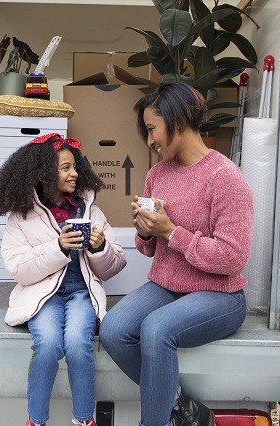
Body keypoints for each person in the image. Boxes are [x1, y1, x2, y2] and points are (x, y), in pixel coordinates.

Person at [99, 82, 254, 426]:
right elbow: (149, 249)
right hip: (168, 285)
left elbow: (233, 257)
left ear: (179, 118)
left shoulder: (226, 177)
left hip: (220, 294)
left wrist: (171, 231)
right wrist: (144, 229)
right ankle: (179, 403)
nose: (149, 140)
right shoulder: (157, 174)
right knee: (113, 329)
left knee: (156, 329)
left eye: (152, 129)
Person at [0, 133, 127, 426]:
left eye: (75, 167)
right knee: (48, 345)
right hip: (44, 296)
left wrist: (99, 246)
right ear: (42, 174)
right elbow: (18, 269)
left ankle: (84, 420)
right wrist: (58, 247)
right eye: (66, 167)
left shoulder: (90, 210)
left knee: (78, 345)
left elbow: (115, 264)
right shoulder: (22, 216)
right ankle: (36, 420)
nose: (75, 173)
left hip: (82, 291)